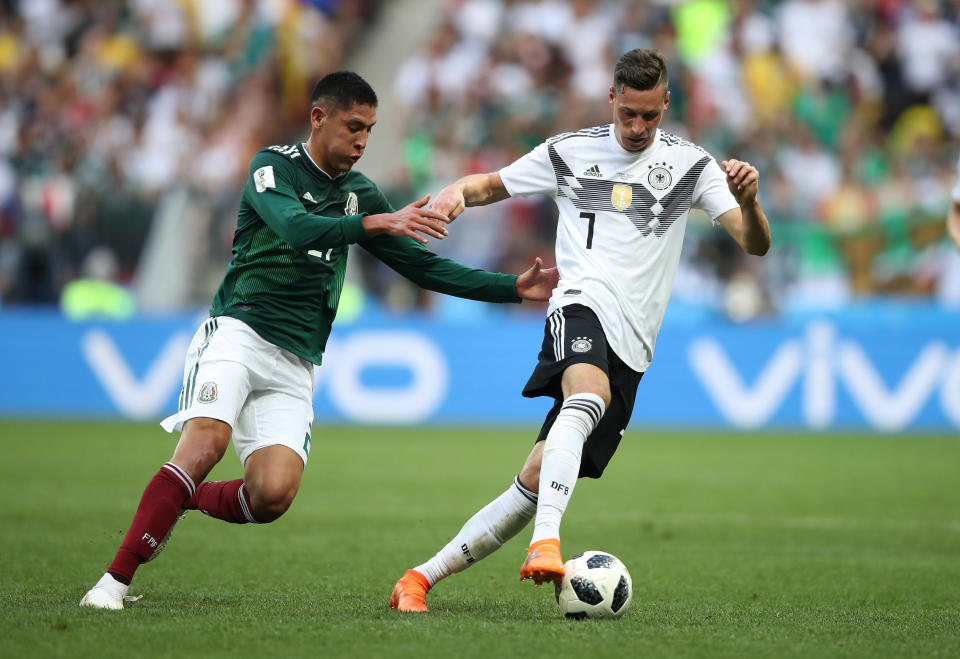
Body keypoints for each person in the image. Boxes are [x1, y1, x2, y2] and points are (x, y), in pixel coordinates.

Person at [80, 71, 558, 610]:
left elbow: (424, 269)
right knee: (206, 444)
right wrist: (375, 224)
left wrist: (512, 288)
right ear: (319, 117)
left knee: (272, 496)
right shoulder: (272, 167)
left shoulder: (360, 195)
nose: (361, 140)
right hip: (239, 331)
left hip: (295, 359)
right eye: (353, 126)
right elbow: (297, 227)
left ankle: (181, 500)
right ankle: (112, 584)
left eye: (370, 130)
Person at [389, 48, 771, 612]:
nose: (637, 127)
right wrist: (455, 194)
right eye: (628, 115)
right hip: (578, 301)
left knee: (537, 476)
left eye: (649, 115)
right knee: (587, 392)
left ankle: (418, 578)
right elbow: (488, 185)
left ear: (666, 103)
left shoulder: (691, 165)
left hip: (635, 343)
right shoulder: (569, 152)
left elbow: (754, 243)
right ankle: (547, 543)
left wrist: (749, 201)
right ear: (612, 99)